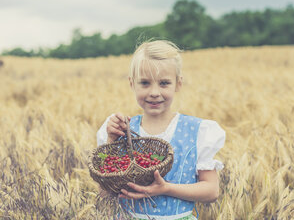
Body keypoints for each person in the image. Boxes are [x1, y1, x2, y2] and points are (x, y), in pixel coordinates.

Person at [96, 40, 226, 220]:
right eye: (145, 83)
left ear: (178, 84)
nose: (154, 92)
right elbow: (104, 192)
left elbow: (211, 191)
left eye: (164, 83)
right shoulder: (122, 130)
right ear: (132, 84)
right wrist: (111, 142)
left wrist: (167, 188)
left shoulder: (197, 131)